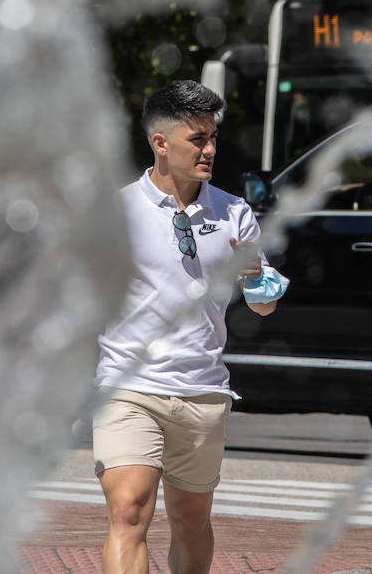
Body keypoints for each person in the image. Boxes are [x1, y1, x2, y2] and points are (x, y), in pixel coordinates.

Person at [93, 79, 288, 574]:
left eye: (212, 137)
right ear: (160, 143)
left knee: (191, 520)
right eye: (196, 139)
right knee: (128, 510)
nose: (210, 149)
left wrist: (261, 282)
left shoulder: (233, 212)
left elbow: (260, 305)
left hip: (202, 390)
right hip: (128, 385)